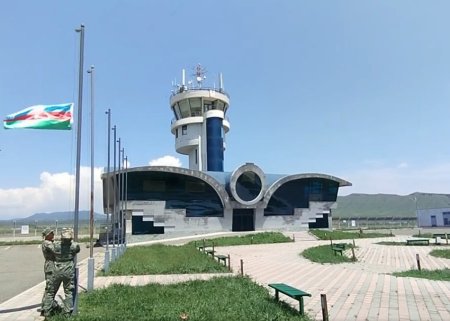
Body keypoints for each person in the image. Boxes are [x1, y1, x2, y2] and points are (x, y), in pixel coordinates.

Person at [48, 228, 80, 316]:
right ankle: (67, 313)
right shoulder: (74, 246)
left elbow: (51, 251)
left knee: (51, 292)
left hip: (57, 269)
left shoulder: (55, 245)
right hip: (68, 270)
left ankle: (47, 311)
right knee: (69, 292)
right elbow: (77, 250)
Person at [40, 227, 59, 317]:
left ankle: (45, 305)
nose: (53, 235)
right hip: (50, 266)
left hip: (51, 265)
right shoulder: (47, 243)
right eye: (51, 233)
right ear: (47, 235)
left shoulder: (50, 242)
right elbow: (56, 250)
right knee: (50, 288)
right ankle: (46, 309)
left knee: (49, 287)